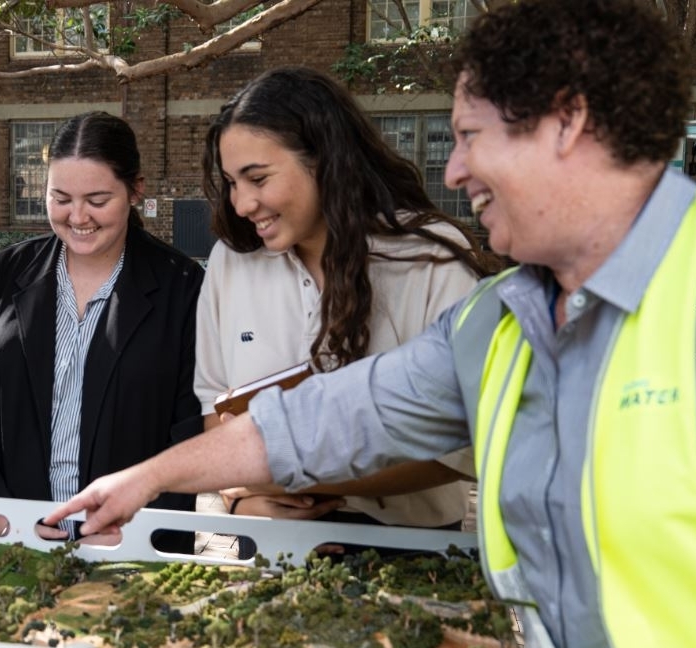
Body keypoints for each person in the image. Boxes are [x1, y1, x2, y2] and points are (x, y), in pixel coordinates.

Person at [45, 0, 696, 645]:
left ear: (566, 121)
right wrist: (147, 479)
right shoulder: (495, 321)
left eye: (470, 136)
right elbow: (330, 420)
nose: (453, 168)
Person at [194, 66, 499, 556]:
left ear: (325, 161)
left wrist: (307, 478)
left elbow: (462, 441)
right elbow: (215, 406)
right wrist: (244, 501)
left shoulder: (430, 257)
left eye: (257, 178)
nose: (243, 202)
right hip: (268, 545)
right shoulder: (232, 262)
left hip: (406, 553)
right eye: (232, 182)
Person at [0, 111, 204, 553]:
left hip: (134, 546)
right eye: (61, 198)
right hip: (12, 541)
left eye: (97, 199)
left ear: (135, 190)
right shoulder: (2, 276)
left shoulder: (182, 288)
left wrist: (143, 527)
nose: (78, 217)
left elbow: (190, 431)